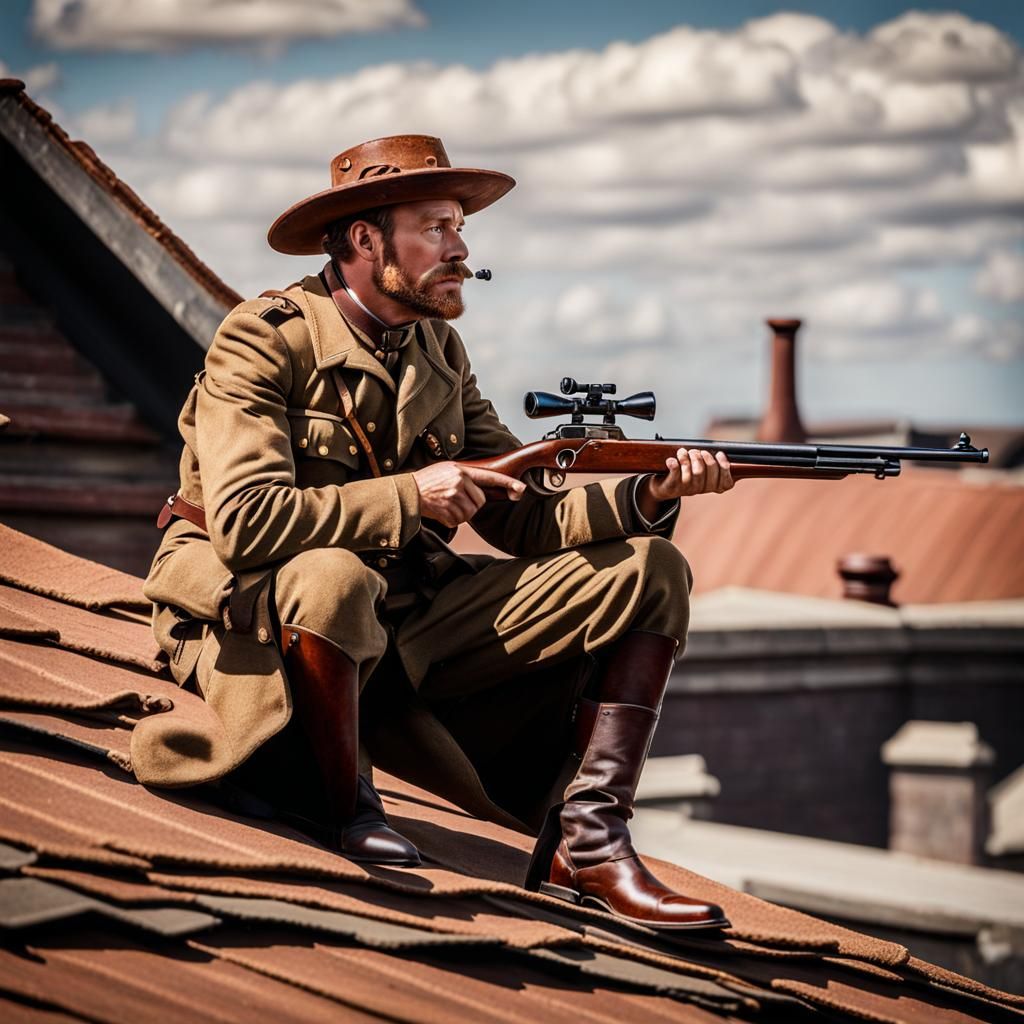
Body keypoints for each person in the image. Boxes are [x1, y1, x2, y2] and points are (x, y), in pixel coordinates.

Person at [142, 134, 736, 931]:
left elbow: (521, 515)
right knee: (335, 579)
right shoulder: (265, 337)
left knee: (651, 568)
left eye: (461, 227)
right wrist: (412, 496)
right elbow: (247, 525)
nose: (460, 249)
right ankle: (340, 804)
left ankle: (589, 840)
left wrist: (648, 494)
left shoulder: (438, 351)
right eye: (438, 227)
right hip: (262, 601)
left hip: (397, 618)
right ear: (365, 239)